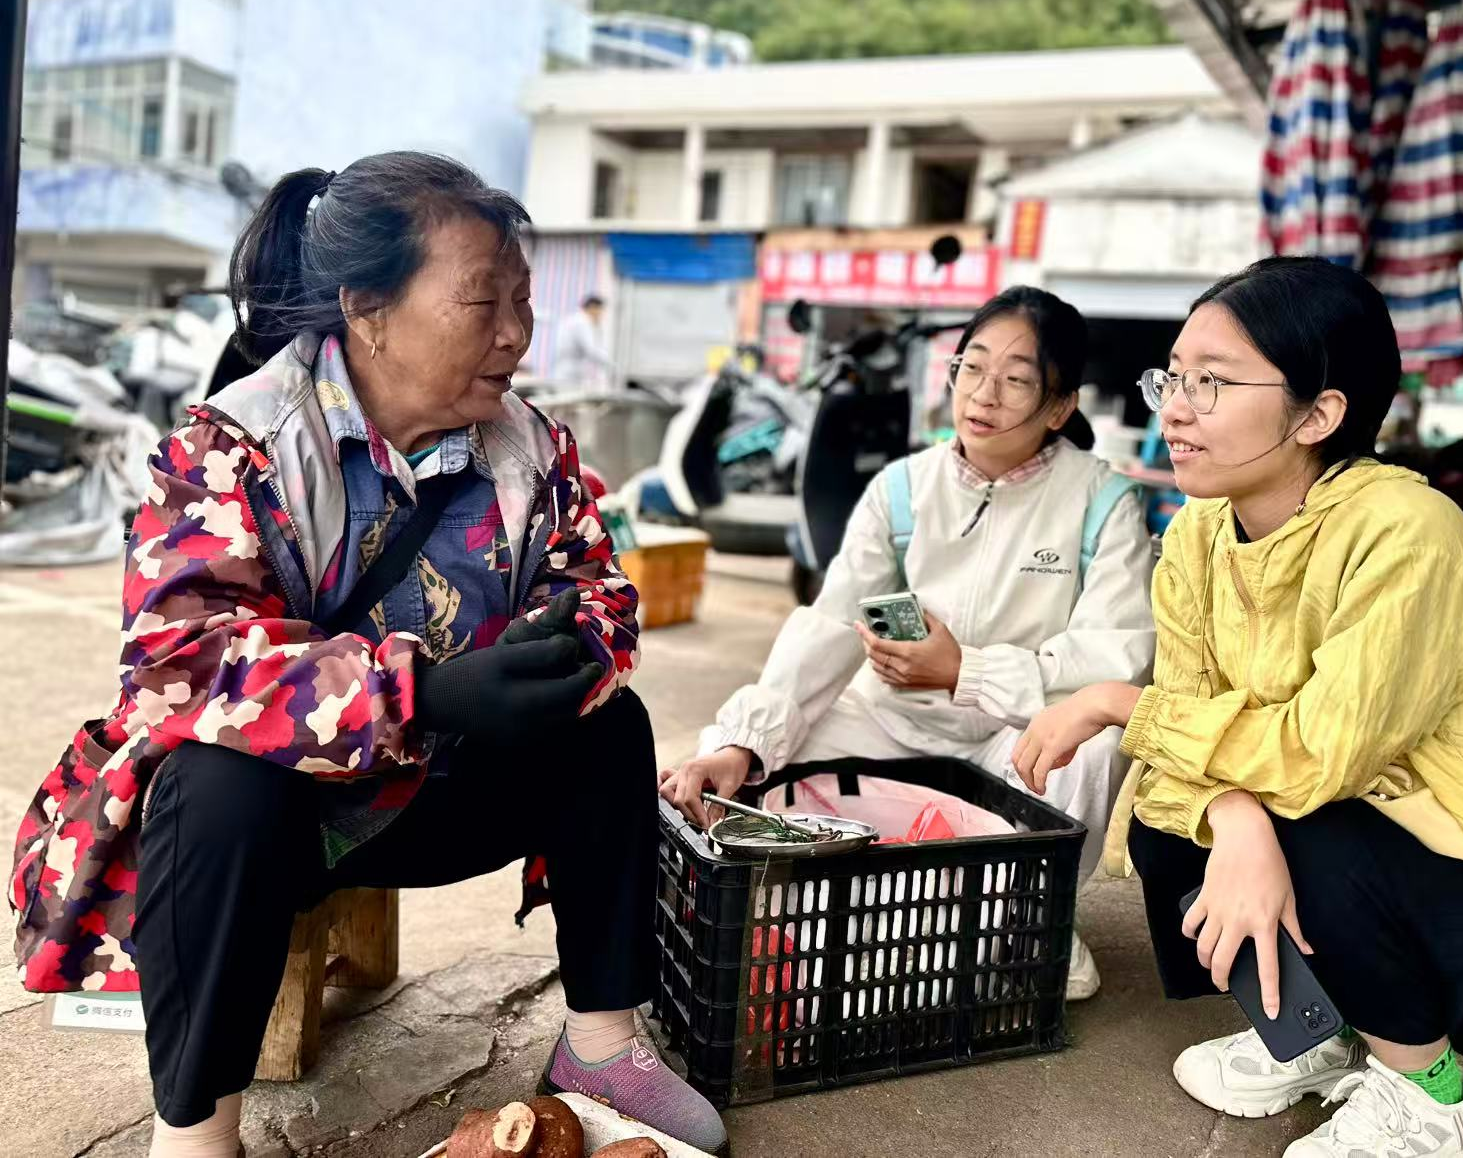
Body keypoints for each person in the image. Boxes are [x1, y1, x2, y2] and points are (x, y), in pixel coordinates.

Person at [8, 152, 725, 1158]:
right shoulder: (236, 448)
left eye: (523, 299)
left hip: (443, 798)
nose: (515, 333)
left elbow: (599, 586)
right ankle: (198, 1133)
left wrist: (555, 651)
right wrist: (423, 690)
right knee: (212, 785)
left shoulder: (530, 447)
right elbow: (183, 663)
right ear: (367, 309)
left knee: (611, 726)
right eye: (482, 302)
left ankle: (602, 1044)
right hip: (292, 821)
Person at [1014, 257, 1463, 1157]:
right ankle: (1320, 1030)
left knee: (1301, 824)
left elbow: (1321, 757)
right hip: (1365, 835)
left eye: (1212, 382)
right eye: (1174, 376)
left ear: (1318, 415)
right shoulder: (1198, 533)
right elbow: (1193, 735)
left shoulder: (1407, 531)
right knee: (1183, 818)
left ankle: (1431, 1102)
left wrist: (1117, 701)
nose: (1176, 407)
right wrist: (1233, 816)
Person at [660, 286, 1156, 1000]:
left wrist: (966, 672)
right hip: (889, 720)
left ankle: (1036, 920)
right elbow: (833, 624)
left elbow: (1112, 658)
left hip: (1010, 733)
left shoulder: (1103, 502)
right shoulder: (901, 488)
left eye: (1017, 379)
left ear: (1059, 407)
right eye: (971, 367)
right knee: (746, 746)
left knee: (1094, 741)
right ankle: (865, 911)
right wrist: (744, 742)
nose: (984, 394)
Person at [555, 292, 615, 391]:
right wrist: (611, 365)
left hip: (567, 370)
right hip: (571, 373)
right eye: (600, 310)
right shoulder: (582, 321)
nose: (601, 314)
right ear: (592, 307)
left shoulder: (574, 319)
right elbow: (591, 350)